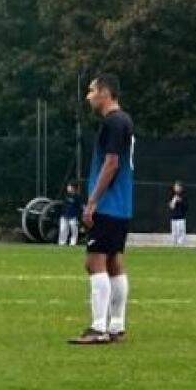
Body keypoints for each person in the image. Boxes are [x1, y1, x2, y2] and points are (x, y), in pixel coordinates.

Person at [69, 74, 134, 345]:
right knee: (113, 261)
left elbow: (111, 163)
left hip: (109, 203)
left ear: (105, 92)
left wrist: (93, 201)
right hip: (122, 204)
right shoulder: (124, 121)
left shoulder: (114, 122)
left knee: (94, 261)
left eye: (92, 91)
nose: (88, 96)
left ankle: (99, 328)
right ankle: (116, 326)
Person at [169, 181, 188, 246]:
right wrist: (174, 201)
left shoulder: (184, 195)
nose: (176, 188)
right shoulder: (172, 195)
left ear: (181, 188)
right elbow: (171, 206)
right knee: (174, 235)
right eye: (175, 186)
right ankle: (174, 246)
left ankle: (181, 247)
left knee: (181, 235)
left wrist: (180, 200)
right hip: (173, 219)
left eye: (177, 187)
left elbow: (186, 206)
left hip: (181, 219)